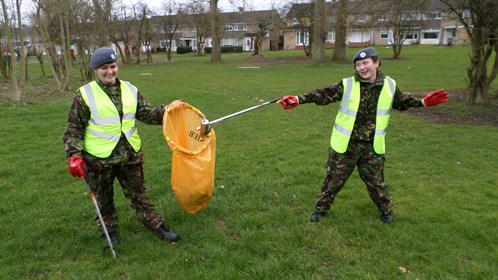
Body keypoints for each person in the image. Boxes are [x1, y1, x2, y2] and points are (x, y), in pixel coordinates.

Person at [278, 47, 448, 224]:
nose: (362, 68)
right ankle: (321, 210)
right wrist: (299, 99)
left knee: (376, 182)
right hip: (347, 145)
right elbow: (324, 94)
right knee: (333, 180)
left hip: (372, 146)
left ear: (376, 62)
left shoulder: (389, 85)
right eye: (358, 65)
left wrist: (422, 102)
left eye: (365, 63)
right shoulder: (348, 85)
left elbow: (402, 101)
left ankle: (386, 211)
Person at [62, 47, 179, 244]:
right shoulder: (85, 95)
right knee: (104, 200)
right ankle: (110, 233)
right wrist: (74, 155)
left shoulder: (130, 90)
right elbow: (74, 128)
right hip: (99, 160)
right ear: (96, 70)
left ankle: (157, 226)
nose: (110, 71)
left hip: (130, 156)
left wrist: (169, 111)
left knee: (140, 195)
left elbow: (148, 114)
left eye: (113, 66)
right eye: (104, 68)